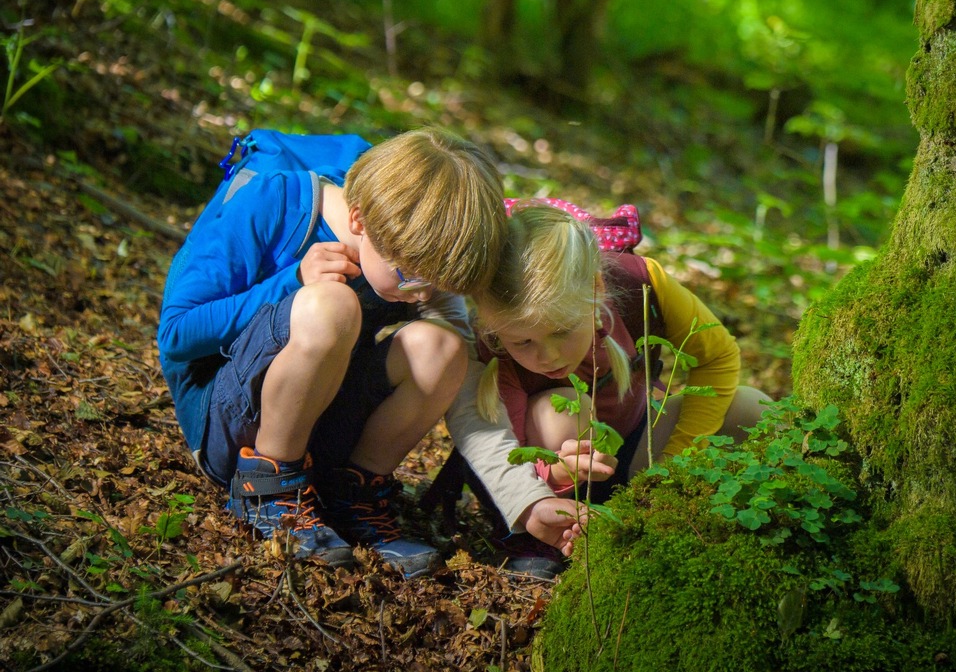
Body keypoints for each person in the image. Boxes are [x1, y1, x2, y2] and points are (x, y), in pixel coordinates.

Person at [157, 128, 580, 578]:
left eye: (440, 282)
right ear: (358, 220)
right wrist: (295, 281)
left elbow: (467, 383)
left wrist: (525, 500)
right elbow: (177, 334)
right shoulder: (275, 203)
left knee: (444, 346)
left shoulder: (413, 249)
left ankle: (351, 496)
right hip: (231, 424)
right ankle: (269, 490)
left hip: (320, 430)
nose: (424, 291)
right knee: (332, 305)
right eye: (413, 277)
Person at [468, 199, 770, 575]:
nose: (546, 356)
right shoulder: (490, 343)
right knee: (563, 407)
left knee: (753, 408)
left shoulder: (640, 282)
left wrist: (674, 468)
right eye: (523, 342)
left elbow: (718, 356)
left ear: (596, 287)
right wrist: (555, 475)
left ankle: (728, 529)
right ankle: (547, 542)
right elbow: (503, 450)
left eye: (562, 331)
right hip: (551, 481)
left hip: (634, 452)